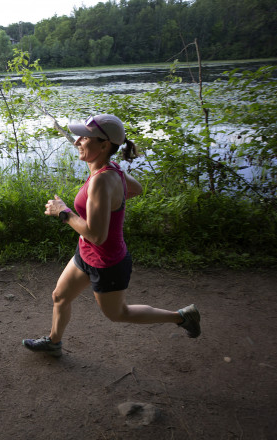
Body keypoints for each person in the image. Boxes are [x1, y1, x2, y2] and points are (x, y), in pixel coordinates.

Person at [22, 114, 200, 358]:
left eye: (84, 138)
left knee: (119, 313)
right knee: (60, 296)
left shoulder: (102, 181)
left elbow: (97, 235)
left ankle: (181, 317)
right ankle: (54, 342)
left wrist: (63, 212)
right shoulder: (110, 170)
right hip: (85, 254)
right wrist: (109, 205)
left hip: (107, 262)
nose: (77, 142)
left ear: (104, 145)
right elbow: (135, 189)